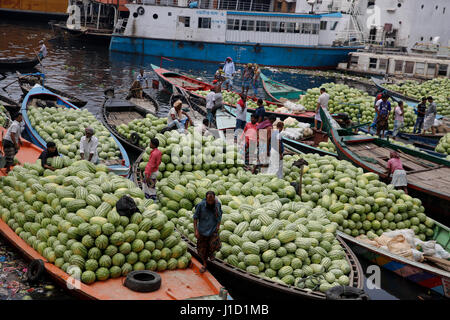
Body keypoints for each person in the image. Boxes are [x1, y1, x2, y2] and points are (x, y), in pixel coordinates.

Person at [193, 191, 222, 273]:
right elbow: (195, 218)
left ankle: (211, 253)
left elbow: (220, 216)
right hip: (202, 231)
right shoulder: (200, 205)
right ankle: (205, 264)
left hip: (212, 231)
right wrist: (196, 231)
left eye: (212, 200)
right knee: (202, 250)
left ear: (214, 198)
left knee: (215, 245)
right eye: (208, 200)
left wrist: (218, 226)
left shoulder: (217, 205)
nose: (210, 202)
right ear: (206, 199)